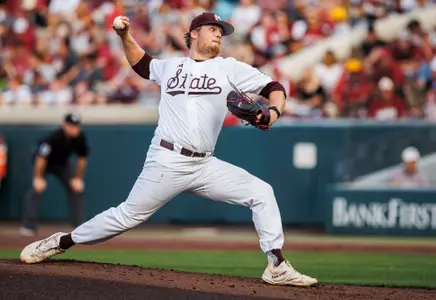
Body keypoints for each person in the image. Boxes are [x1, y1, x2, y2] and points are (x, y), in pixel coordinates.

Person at [20, 12, 318, 287]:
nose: (218, 35)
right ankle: (61, 242)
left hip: (205, 165)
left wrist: (273, 113)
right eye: (213, 29)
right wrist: (124, 36)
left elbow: (274, 87)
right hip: (166, 160)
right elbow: (141, 63)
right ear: (194, 34)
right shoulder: (170, 66)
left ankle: (276, 265)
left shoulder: (229, 68)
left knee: (261, 192)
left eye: (221, 31)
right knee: (126, 217)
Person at [19, 112, 89, 237]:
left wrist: (78, 178)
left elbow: (82, 160)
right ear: (64, 125)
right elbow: (41, 159)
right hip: (43, 165)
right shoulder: (53, 138)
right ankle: (28, 226)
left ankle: (80, 226)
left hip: (61, 165)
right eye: (71, 125)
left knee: (76, 189)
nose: (74, 129)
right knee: (36, 190)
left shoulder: (80, 138)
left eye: (76, 126)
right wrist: (38, 178)